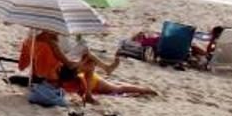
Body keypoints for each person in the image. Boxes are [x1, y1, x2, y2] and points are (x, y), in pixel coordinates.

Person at [20, 31, 155, 102]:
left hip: (52, 76)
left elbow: (25, 65)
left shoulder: (31, 41)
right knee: (116, 87)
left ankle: (106, 69)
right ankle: (146, 90)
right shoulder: (52, 43)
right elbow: (67, 64)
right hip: (63, 76)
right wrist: (80, 63)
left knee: (112, 82)